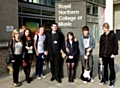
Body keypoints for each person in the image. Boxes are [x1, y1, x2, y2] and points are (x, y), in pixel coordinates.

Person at [99, 23, 118, 87]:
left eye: (105, 28)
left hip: (110, 55)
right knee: (105, 68)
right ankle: (105, 79)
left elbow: (115, 45)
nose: (104, 29)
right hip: (104, 55)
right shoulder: (102, 36)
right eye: (103, 28)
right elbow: (101, 46)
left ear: (108, 28)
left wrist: (114, 53)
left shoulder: (113, 35)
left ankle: (112, 80)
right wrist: (100, 56)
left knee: (111, 68)